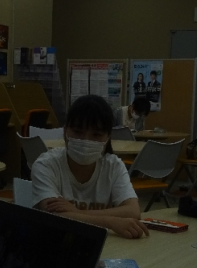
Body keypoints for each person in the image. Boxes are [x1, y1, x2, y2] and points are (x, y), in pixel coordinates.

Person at [32, 94, 149, 239]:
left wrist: (76, 212)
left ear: (107, 137)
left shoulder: (114, 166)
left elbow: (133, 211)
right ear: (65, 131)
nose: (86, 140)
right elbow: (55, 217)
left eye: (96, 135)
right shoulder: (46, 164)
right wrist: (110, 222)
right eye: (77, 132)